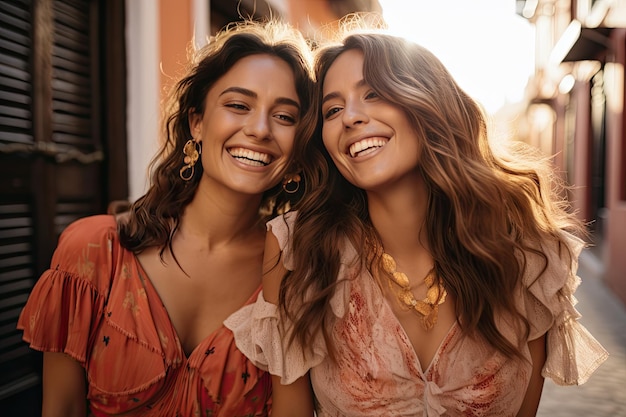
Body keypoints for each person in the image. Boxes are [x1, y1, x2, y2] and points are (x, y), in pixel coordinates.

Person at [225, 21, 609, 417]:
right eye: (333, 109)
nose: (351, 117)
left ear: (427, 103)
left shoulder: (528, 255)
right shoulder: (297, 251)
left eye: (374, 93)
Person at [17, 19, 317, 417]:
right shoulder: (93, 251)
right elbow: (61, 409)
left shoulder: (292, 271)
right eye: (238, 105)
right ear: (197, 122)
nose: (260, 129)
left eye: (284, 116)